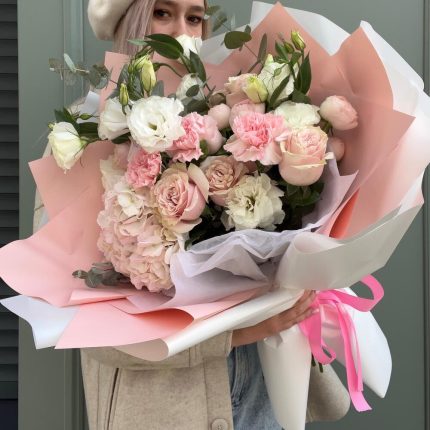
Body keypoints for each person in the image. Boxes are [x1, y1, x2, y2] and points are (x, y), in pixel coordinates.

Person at [34, 1, 351, 429]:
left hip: (262, 382)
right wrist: (235, 334)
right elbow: (76, 319)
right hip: (162, 404)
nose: (182, 31)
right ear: (130, 23)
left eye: (195, 17)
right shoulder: (84, 137)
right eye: (162, 13)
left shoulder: (231, 113)